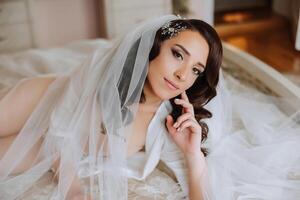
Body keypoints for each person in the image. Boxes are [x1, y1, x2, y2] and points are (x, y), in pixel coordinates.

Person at [1, 15, 300, 200]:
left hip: (46, 147)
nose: (184, 75)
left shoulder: (169, 121)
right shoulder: (101, 77)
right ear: (151, 50)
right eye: (177, 54)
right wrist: (75, 190)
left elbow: (200, 194)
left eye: (196, 70)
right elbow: (62, 131)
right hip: (39, 99)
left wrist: (193, 154)